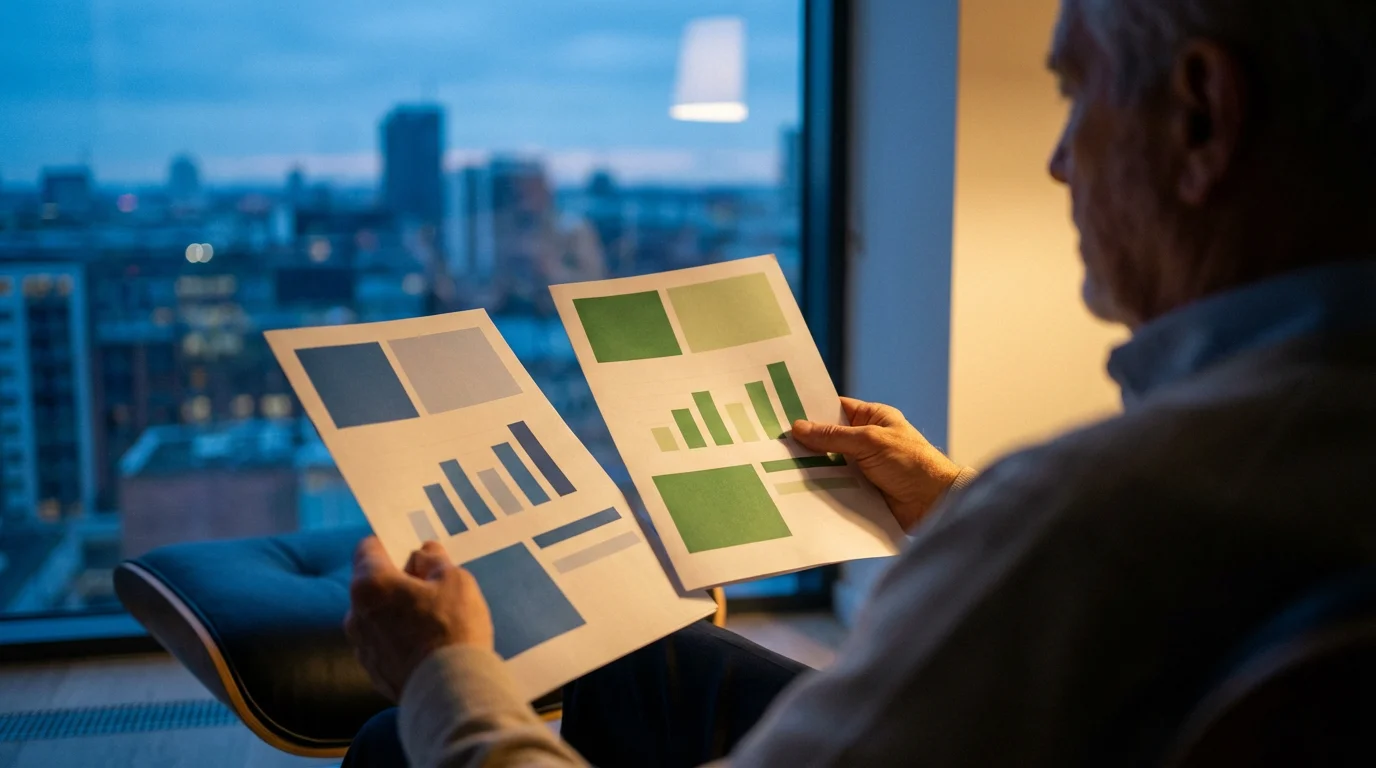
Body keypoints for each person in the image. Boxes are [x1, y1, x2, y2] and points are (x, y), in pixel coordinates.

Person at [342, 0, 1376, 764]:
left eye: (1072, 92)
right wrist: (952, 504)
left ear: (1199, 120)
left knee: (406, 743)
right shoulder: (1270, 466)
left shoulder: (1082, 519)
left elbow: (1112, 560)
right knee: (646, 666)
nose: (1060, 162)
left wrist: (447, 679)